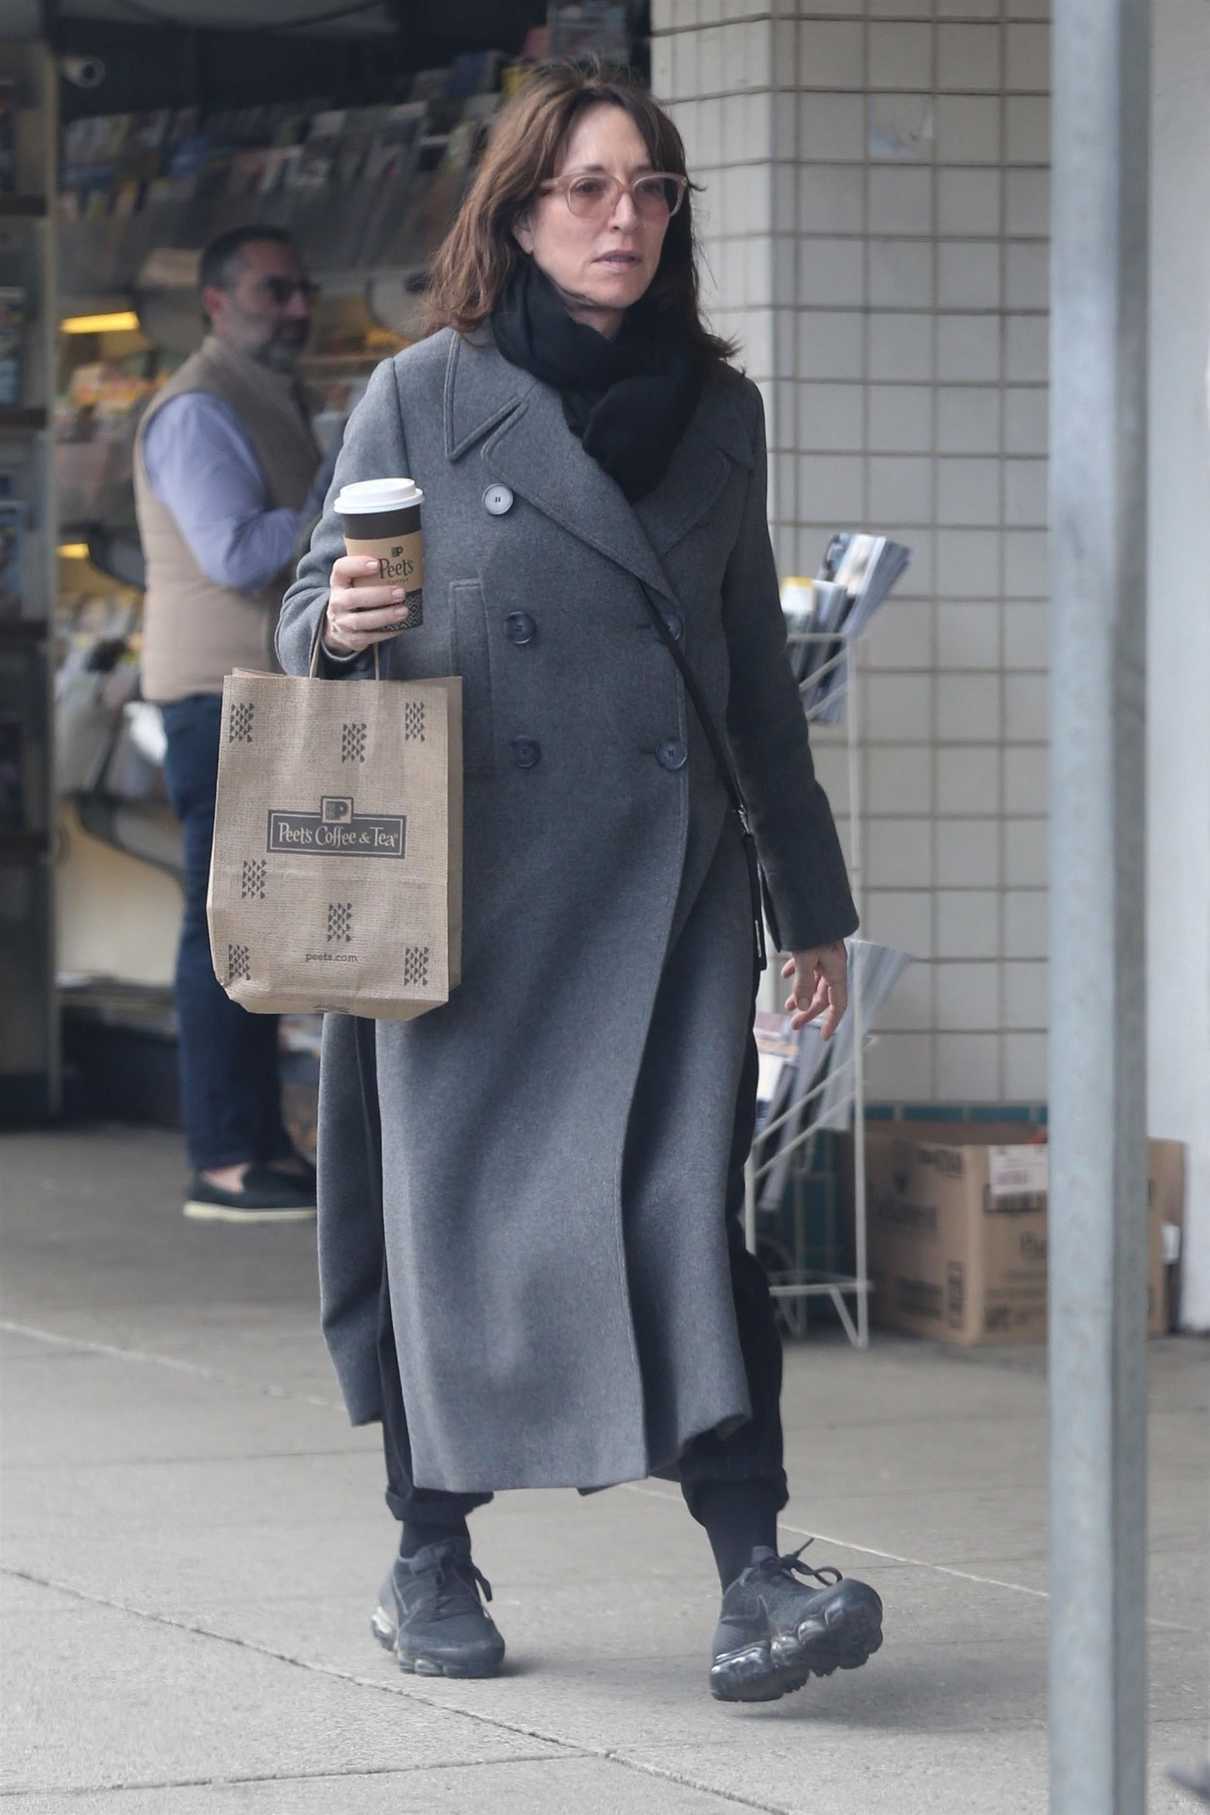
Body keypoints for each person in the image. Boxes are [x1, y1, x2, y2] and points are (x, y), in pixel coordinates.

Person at [277, 62, 883, 1703]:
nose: (625, 220)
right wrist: (335, 631)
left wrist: (807, 905)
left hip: (671, 897)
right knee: (454, 1231)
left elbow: (755, 671)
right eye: (589, 190)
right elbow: (303, 618)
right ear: (523, 213)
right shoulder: (422, 393)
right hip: (464, 896)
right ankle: (427, 1551)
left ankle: (756, 1571)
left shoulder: (720, 410)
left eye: (652, 191)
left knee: (690, 1223)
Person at [135, 226, 335, 1222]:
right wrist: (339, 504)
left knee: (252, 931)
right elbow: (236, 551)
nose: (295, 308)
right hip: (219, 695)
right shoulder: (199, 410)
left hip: (255, 692)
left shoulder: (266, 394)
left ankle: (256, 1144)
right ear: (216, 300)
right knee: (222, 932)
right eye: (272, 290)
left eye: (300, 289)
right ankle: (222, 1156)